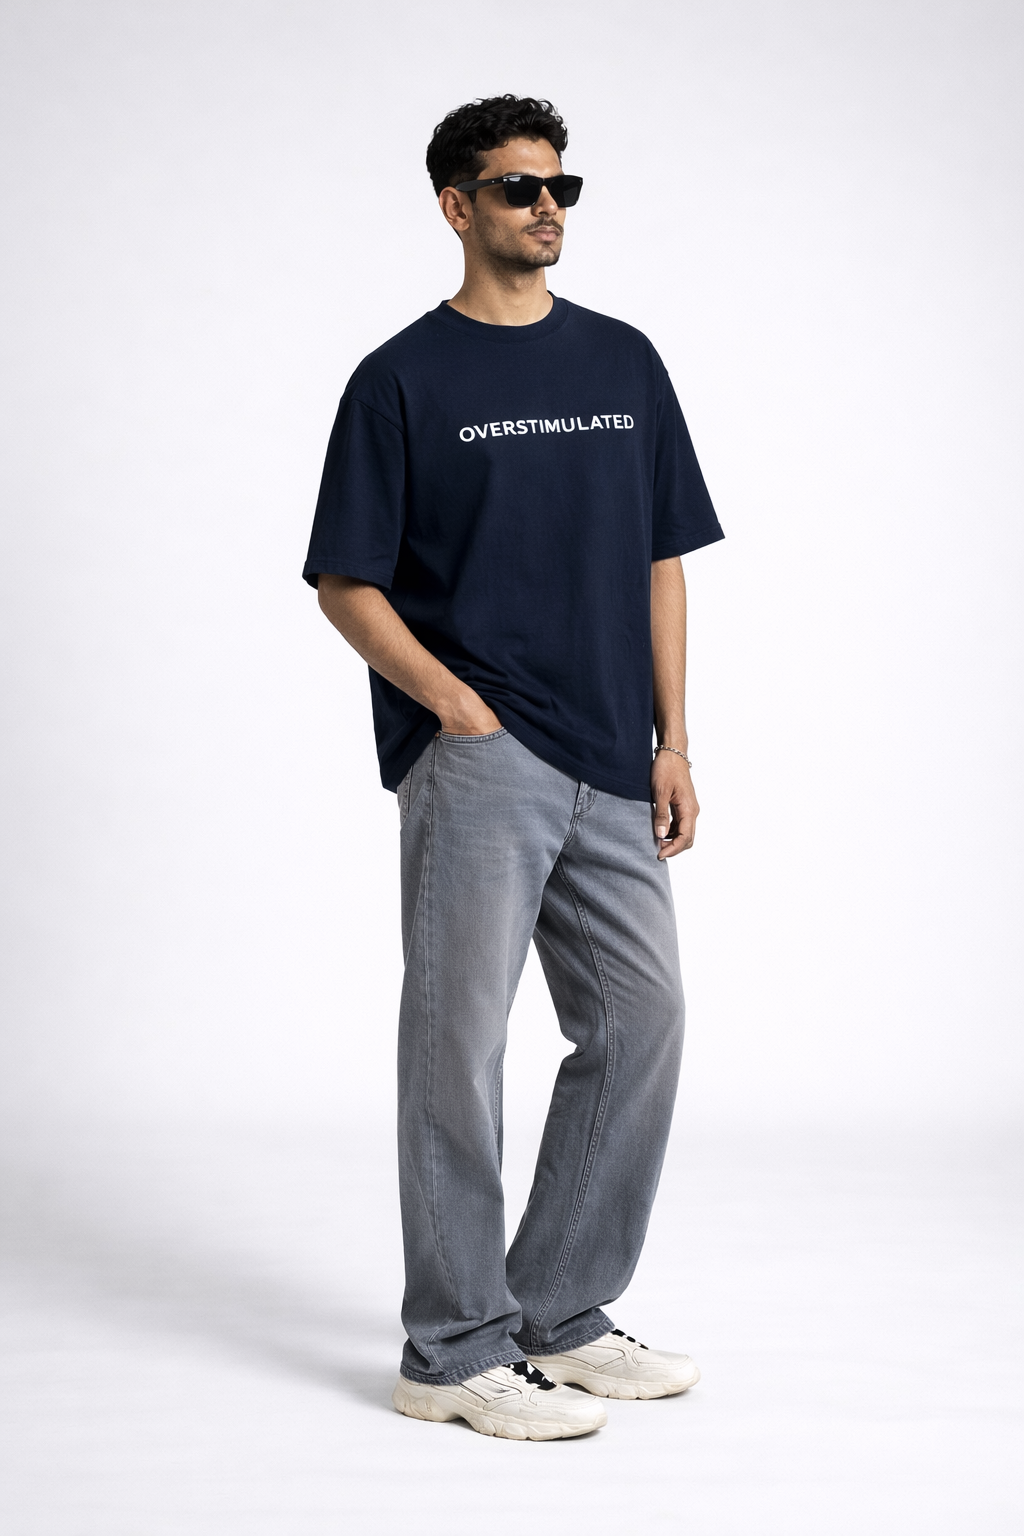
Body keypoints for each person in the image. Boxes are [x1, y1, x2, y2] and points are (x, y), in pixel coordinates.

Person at [303, 95, 724, 1441]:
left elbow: (662, 559)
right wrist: (453, 708)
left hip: (615, 756)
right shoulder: (401, 381)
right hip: (481, 760)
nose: (548, 207)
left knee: (644, 1019)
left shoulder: (624, 360)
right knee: (459, 1049)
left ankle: (556, 1309)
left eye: (562, 187)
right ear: (457, 207)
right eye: (518, 187)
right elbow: (346, 582)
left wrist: (672, 738)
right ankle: (450, 1350)